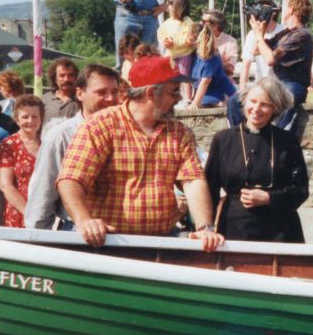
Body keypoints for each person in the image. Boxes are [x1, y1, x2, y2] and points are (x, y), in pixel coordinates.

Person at [56, 56, 224, 251]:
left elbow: (193, 180)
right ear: (152, 93)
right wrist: (85, 221)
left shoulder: (179, 132)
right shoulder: (100, 126)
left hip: (161, 243)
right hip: (108, 244)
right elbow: (71, 180)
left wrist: (205, 227)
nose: (179, 98)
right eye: (174, 91)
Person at [205, 77, 309, 242]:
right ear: (244, 102)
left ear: (275, 108)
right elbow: (210, 189)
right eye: (252, 101)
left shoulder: (287, 141)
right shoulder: (223, 140)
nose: (256, 109)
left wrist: (270, 198)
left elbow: (301, 190)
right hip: (235, 230)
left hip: (281, 231)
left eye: (265, 104)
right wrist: (207, 228)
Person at [25, 64, 121, 231]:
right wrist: (37, 241)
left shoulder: (127, 132)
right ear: (80, 94)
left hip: (125, 234)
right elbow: (43, 194)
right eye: (101, 92)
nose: (111, 99)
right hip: (78, 233)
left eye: (114, 92)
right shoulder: (61, 136)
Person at [228, 0, 313, 131]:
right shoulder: (285, 33)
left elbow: (270, 59)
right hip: (275, 83)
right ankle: (241, 136)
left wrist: (258, 36)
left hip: (292, 84)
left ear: (291, 9)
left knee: (288, 99)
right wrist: (260, 32)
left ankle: (279, 138)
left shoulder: (302, 34)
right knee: (235, 101)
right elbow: (257, 50)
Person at [0, 95, 44, 228]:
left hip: (45, 214)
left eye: (35, 116)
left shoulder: (46, 144)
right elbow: (5, 185)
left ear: (41, 119)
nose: (30, 120)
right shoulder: (9, 144)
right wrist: (29, 214)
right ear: (17, 120)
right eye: (25, 117)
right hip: (19, 212)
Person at [157, 0, 199, 102]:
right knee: (169, 75)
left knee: (184, 75)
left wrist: (174, 42)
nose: (168, 6)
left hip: (184, 53)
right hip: (171, 53)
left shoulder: (187, 22)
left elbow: (188, 38)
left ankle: (187, 98)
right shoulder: (167, 22)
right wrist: (165, 40)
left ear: (178, 7)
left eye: (171, 4)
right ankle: (171, 97)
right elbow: (161, 32)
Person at [238, 0, 284, 92]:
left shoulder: (284, 30)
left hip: (281, 83)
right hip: (261, 83)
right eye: (260, 9)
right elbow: (246, 64)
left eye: (266, 10)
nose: (262, 13)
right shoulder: (252, 34)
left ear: (274, 13)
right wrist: (242, 90)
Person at [189, 23, 237, 109]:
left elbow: (205, 81)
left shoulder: (209, 56)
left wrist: (195, 103)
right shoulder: (195, 54)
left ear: (194, 38)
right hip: (207, 94)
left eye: (187, 34)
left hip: (219, 94)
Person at [201, 9, 240, 80]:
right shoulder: (198, 39)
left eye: (204, 22)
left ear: (215, 26)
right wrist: (220, 63)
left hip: (221, 83)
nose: (200, 23)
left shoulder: (230, 41)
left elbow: (230, 69)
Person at [41, 57, 80, 122]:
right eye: (62, 75)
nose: (66, 79)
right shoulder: (44, 100)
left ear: (76, 77)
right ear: (55, 78)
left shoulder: (82, 100)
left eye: (70, 75)